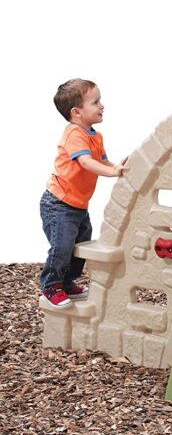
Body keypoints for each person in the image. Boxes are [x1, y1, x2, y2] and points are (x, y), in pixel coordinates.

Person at [40, 79, 128, 309]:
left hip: (78, 206)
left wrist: (117, 167)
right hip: (58, 203)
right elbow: (87, 162)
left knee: (82, 244)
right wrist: (111, 172)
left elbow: (102, 160)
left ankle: (67, 282)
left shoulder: (95, 136)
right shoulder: (74, 134)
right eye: (96, 102)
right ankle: (51, 285)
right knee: (62, 247)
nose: (102, 106)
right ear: (77, 112)